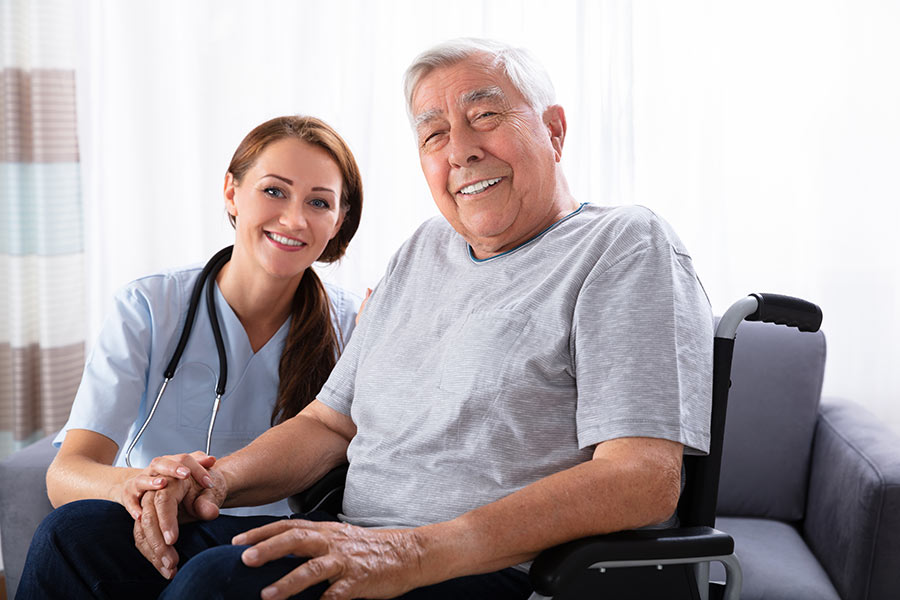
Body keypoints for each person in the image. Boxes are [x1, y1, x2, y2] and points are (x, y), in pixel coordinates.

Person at [19, 39, 712, 600]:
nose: (460, 147)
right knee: (77, 536)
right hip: (354, 536)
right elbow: (329, 424)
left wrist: (415, 549)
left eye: (486, 115)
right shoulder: (424, 251)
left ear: (553, 130)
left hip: (479, 565)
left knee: (221, 586)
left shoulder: (623, 245)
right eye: (434, 132)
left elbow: (642, 477)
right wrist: (218, 483)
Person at [42, 115, 363, 519]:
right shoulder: (149, 307)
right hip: (161, 520)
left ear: (338, 221)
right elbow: (66, 474)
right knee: (68, 527)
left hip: (276, 543)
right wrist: (140, 485)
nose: (294, 220)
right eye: (274, 191)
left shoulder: (354, 326)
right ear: (232, 192)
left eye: (319, 202)